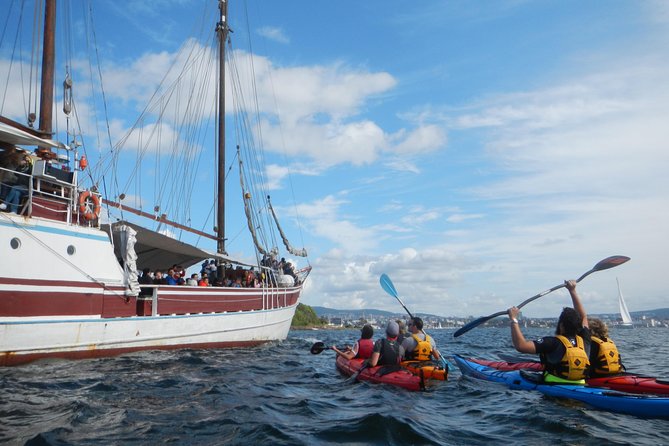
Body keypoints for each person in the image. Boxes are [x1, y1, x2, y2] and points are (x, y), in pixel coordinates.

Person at [507, 280, 591, 383]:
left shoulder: (552, 342)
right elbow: (583, 317)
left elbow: (521, 346)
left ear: (561, 325)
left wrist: (513, 319)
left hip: (553, 384)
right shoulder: (585, 339)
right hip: (580, 383)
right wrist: (572, 290)